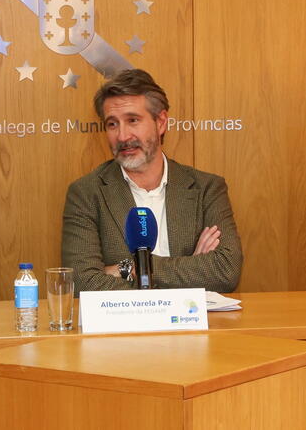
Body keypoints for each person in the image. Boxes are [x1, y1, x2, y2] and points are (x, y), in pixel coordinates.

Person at [61, 69, 243, 292]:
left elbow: (225, 270)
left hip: (191, 326)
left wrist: (127, 268)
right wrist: (190, 270)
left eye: (133, 120)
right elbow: (82, 282)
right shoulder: (86, 193)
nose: (122, 136)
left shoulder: (206, 188)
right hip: (123, 326)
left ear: (161, 122)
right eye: (112, 124)